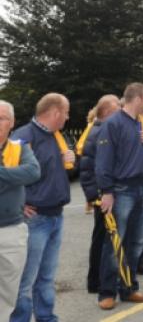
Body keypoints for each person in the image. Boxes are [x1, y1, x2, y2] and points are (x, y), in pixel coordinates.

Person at [10, 93, 72, 322]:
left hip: (56, 215)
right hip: (36, 219)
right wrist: (20, 203)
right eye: (66, 112)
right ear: (55, 112)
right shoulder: (23, 137)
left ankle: (46, 317)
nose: (67, 117)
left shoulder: (56, 137)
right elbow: (7, 176)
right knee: (26, 280)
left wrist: (70, 160)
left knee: (46, 276)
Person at [95, 83, 143, 310]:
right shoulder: (113, 124)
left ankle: (129, 287)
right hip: (122, 190)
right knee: (114, 244)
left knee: (136, 242)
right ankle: (106, 292)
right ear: (137, 98)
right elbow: (103, 162)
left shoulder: (140, 122)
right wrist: (107, 192)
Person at [0, 100, 40, 321]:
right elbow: (21, 175)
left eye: (2, 118)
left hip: (10, 231)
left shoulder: (19, 147)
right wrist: (12, 176)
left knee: (8, 292)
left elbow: (32, 172)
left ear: (12, 123)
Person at [78, 95, 119, 293]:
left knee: (104, 238)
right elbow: (87, 168)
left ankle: (99, 279)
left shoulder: (103, 129)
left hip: (103, 193)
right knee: (101, 239)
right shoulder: (99, 131)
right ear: (107, 112)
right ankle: (96, 281)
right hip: (101, 196)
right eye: (118, 108)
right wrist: (95, 196)